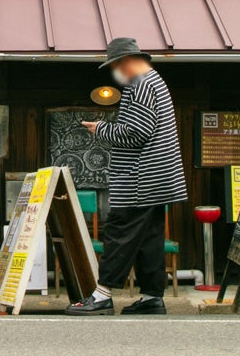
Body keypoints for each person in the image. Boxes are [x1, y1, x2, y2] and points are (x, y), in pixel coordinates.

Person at [67, 37, 187, 316]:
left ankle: (102, 294)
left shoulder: (140, 84)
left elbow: (136, 132)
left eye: (116, 65)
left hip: (139, 177)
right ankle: (151, 296)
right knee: (150, 237)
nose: (116, 72)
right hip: (158, 175)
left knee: (120, 231)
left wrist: (101, 129)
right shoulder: (154, 80)